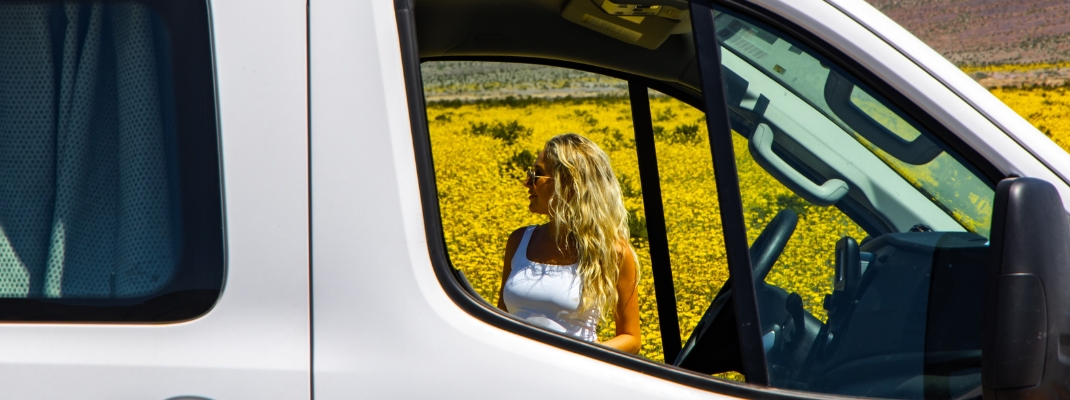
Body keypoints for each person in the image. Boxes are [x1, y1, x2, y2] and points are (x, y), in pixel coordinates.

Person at [496, 133, 641, 354]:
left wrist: (581, 355)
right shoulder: (519, 240)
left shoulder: (613, 252)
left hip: (574, 375)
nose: (527, 183)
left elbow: (631, 339)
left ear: (569, 183)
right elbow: (501, 319)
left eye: (538, 175)